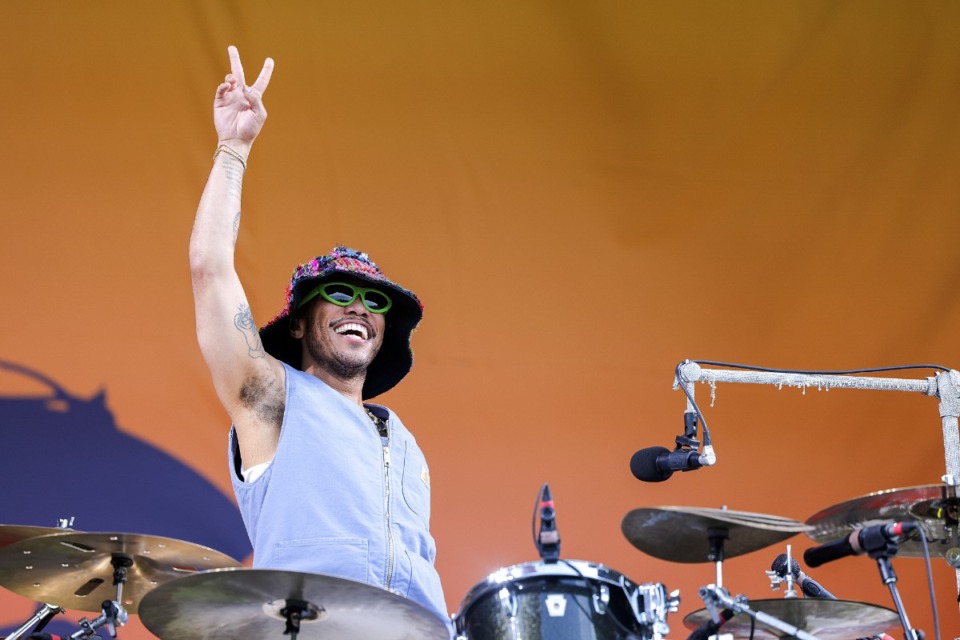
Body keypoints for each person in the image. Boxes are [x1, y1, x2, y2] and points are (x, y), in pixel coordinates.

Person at [188, 46, 449, 628]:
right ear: (300, 322)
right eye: (339, 293)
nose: (360, 306)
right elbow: (210, 270)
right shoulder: (274, 399)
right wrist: (234, 150)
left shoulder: (403, 442)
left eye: (375, 301)